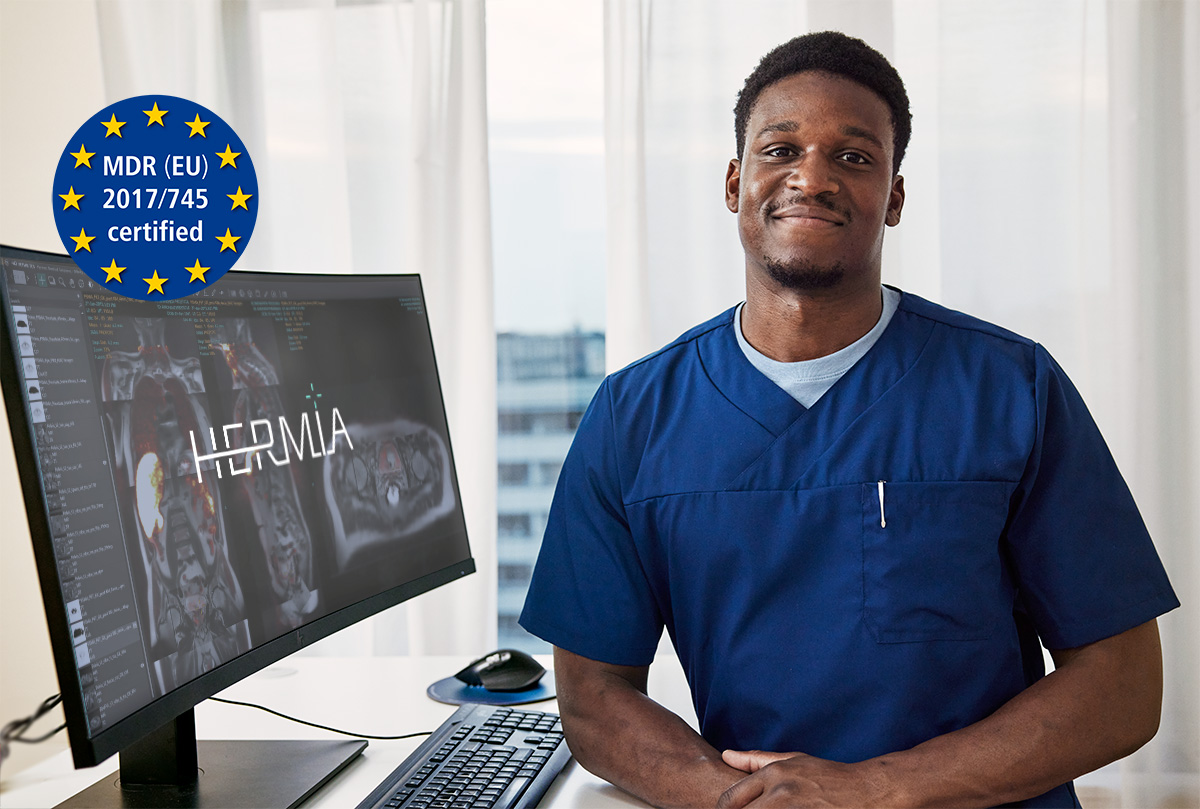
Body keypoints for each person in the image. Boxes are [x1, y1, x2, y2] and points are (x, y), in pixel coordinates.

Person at [519, 31, 1179, 809]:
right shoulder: (633, 417)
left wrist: (873, 789)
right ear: (736, 182)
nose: (812, 177)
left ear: (894, 197)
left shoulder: (1013, 388)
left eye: (854, 157)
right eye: (780, 148)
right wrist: (736, 799)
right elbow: (593, 695)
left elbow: (1124, 684)